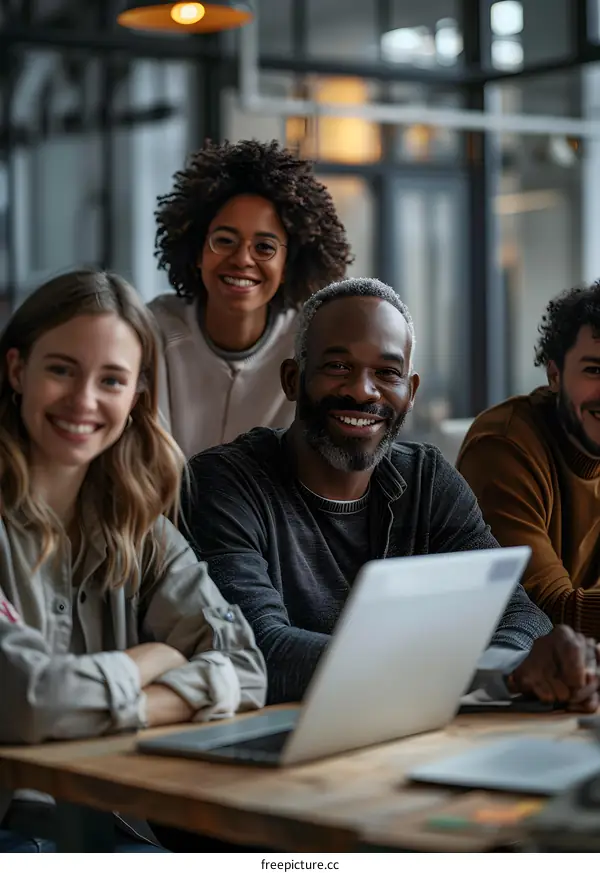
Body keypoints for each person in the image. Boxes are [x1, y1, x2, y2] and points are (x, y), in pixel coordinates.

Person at [182, 277, 600, 712]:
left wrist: (522, 665)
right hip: (277, 747)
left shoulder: (426, 478)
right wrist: (494, 671)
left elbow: (520, 615)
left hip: (408, 734)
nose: (363, 391)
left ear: (411, 392)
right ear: (293, 379)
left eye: (387, 373)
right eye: (338, 366)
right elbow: (257, 648)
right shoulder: (223, 483)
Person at [0, 270, 266, 853]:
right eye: (61, 369)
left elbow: (245, 664)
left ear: (136, 395)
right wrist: (151, 658)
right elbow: (24, 701)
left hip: (103, 829)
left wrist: (121, 699)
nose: (84, 400)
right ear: (18, 370)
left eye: (111, 380)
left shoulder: (137, 524)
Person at [150, 138, 352, 459]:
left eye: (264, 247)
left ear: (287, 265)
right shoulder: (153, 330)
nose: (242, 259)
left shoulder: (310, 346)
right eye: (225, 240)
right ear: (197, 252)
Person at [458, 282, 600, 637]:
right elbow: (551, 611)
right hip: (509, 678)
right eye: (594, 370)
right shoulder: (503, 445)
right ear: (554, 375)